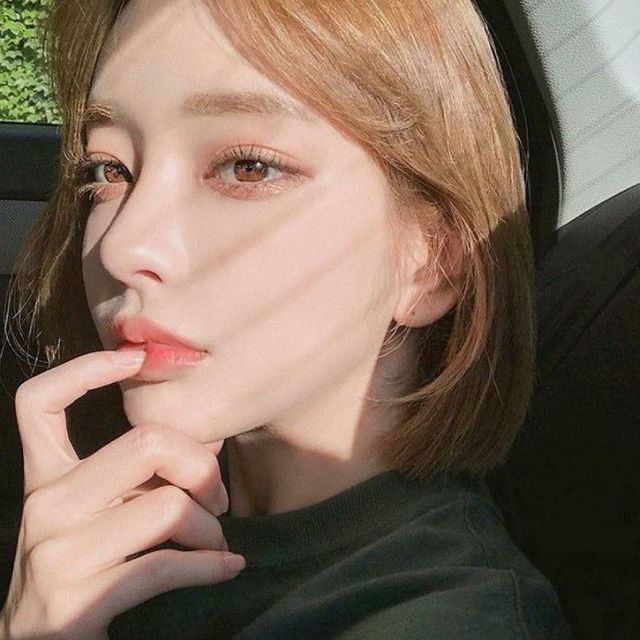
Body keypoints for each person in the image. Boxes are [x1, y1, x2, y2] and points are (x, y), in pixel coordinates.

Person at [0, 0, 574, 638]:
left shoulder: (444, 619)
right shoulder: (119, 520)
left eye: (248, 167)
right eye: (111, 170)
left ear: (433, 260)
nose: (122, 246)